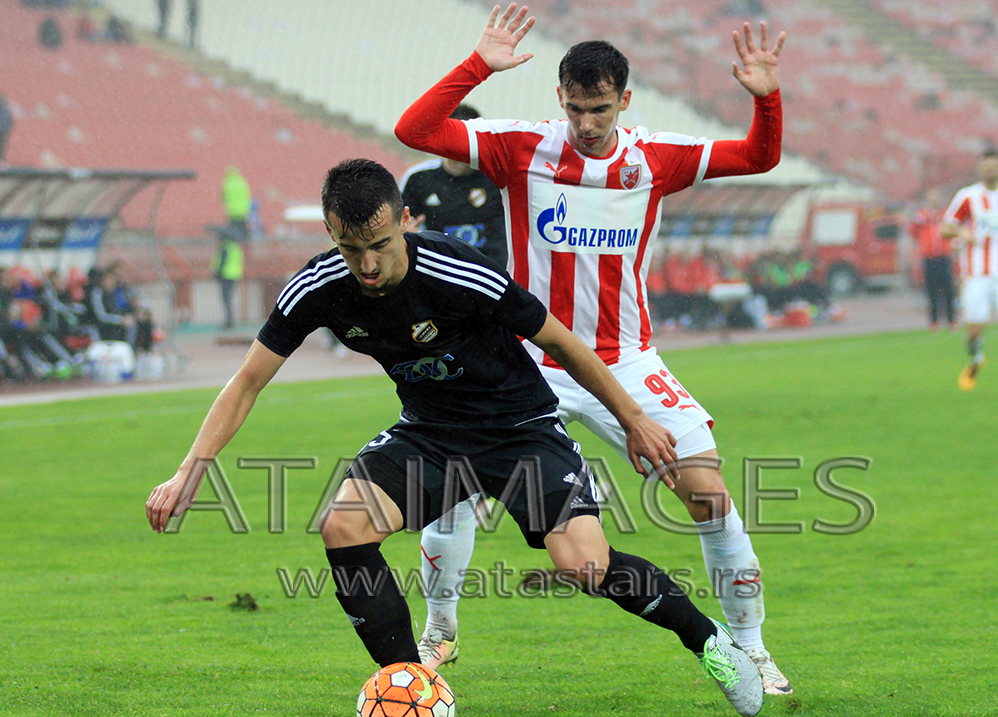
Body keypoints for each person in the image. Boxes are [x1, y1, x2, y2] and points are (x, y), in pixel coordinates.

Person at [144, 158, 766, 716]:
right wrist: (188, 472)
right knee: (343, 526)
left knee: (583, 564)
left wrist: (633, 419)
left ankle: (709, 640)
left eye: (380, 245)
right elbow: (246, 382)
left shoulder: (457, 270)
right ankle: (407, 685)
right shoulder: (318, 287)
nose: (367, 265)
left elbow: (561, 341)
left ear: (403, 223)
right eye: (351, 248)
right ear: (331, 232)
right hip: (431, 435)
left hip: (519, 429)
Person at [395, 4, 792, 695]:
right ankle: (440, 630)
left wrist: (767, 99)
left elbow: (759, 156)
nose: (585, 123)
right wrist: (479, 65)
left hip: (624, 357)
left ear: (624, 101)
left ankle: (752, 649)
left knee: (708, 494)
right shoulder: (521, 147)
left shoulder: (654, 158)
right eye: (576, 108)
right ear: (560, 97)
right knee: (452, 488)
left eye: (599, 109)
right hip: (525, 360)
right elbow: (414, 130)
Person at [940, 148, 998, 401]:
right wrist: (962, 233)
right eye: (986, 166)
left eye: (995, 165)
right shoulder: (967, 197)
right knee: (974, 330)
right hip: (976, 272)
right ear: (979, 168)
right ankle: (976, 359)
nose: (991, 170)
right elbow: (945, 228)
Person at [401, 104, 509, 269]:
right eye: (456, 137)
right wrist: (406, 232)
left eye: (469, 138)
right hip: (441, 271)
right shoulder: (419, 179)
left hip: (495, 271)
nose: (462, 145)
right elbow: (402, 226)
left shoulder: (499, 177)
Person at [911, 189, 955, 330]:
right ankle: (934, 321)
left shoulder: (945, 214)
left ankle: (951, 320)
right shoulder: (922, 215)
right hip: (929, 258)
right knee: (932, 291)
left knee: (948, 289)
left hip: (944, 256)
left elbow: (953, 229)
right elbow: (913, 231)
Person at [212, 226, 244, 329]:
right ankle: (230, 320)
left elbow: (222, 262)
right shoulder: (236, 247)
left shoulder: (226, 247)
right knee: (229, 298)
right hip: (234, 275)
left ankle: (229, 321)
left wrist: (216, 273)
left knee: (226, 299)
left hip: (225, 275)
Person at [222, 166, 251, 239]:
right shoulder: (242, 182)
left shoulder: (226, 184)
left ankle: (236, 241)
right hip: (243, 210)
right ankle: (244, 241)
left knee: (233, 231)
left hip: (232, 211)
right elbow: (247, 195)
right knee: (243, 228)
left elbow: (223, 197)